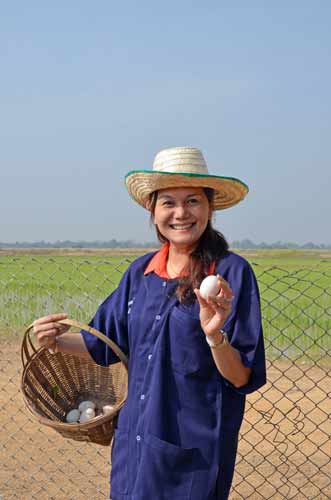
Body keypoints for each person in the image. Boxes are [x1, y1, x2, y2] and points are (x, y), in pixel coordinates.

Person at [33, 147, 266, 500]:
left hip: (193, 453)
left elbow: (241, 376)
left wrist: (213, 335)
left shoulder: (231, 273)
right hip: (135, 446)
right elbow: (105, 344)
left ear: (210, 207)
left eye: (192, 201)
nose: (180, 213)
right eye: (168, 202)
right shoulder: (140, 273)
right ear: (152, 209)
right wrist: (55, 342)